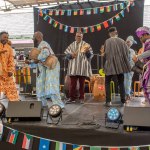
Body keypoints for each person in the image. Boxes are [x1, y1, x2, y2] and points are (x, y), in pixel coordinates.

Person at [32, 31, 64, 108]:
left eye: (34, 37)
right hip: (46, 67)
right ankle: (42, 103)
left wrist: (37, 58)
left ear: (38, 37)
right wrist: (32, 61)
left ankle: (58, 105)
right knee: (40, 84)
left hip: (52, 65)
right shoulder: (40, 45)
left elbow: (45, 53)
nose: (33, 39)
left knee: (52, 85)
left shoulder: (43, 43)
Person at [102, 27, 131, 107]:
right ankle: (123, 101)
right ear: (116, 32)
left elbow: (106, 54)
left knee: (107, 82)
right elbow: (127, 53)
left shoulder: (107, 41)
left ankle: (108, 101)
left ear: (109, 33)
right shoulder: (122, 41)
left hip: (109, 66)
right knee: (121, 82)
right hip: (120, 66)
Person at [64, 31, 93, 104]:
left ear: (82, 37)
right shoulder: (72, 45)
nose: (78, 37)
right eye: (77, 36)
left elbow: (90, 56)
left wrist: (87, 52)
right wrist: (70, 56)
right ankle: (71, 98)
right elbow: (66, 54)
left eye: (80, 36)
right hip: (73, 68)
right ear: (75, 37)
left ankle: (81, 98)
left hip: (82, 68)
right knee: (72, 84)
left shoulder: (86, 45)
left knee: (82, 84)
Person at [133, 26, 150, 103]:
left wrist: (138, 57)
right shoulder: (147, 42)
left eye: (141, 37)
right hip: (147, 66)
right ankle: (147, 99)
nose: (140, 39)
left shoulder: (149, 41)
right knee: (146, 84)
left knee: (147, 84)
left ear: (146, 34)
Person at [0, 31, 19, 101]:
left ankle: (15, 106)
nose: (6, 38)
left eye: (7, 37)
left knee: (12, 90)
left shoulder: (9, 48)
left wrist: (11, 70)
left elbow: (11, 61)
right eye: (4, 37)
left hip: (6, 73)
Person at [124, 36, 137, 101]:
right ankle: (127, 94)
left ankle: (127, 94)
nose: (129, 43)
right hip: (125, 68)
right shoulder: (123, 50)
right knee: (126, 81)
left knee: (127, 81)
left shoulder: (132, 51)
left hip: (129, 69)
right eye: (128, 42)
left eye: (130, 42)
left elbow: (134, 60)